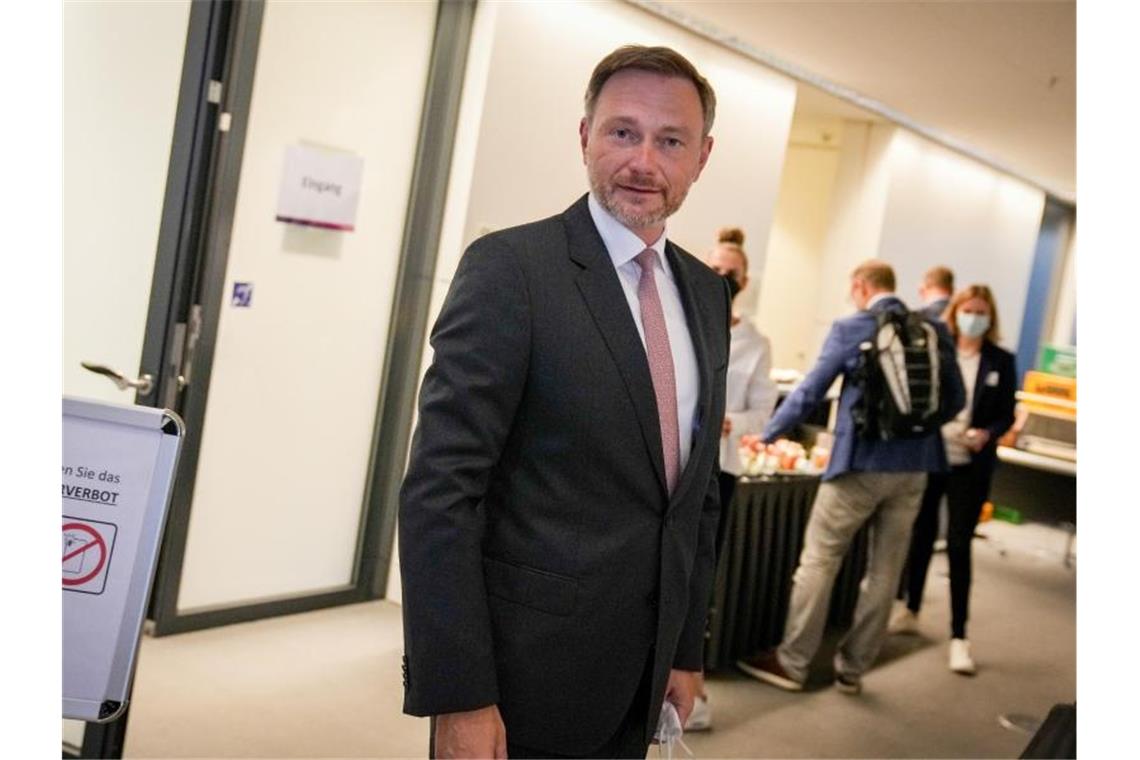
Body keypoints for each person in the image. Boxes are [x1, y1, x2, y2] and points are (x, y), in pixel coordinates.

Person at [399, 45, 731, 759]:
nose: (644, 160)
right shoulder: (513, 271)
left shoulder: (706, 293)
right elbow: (439, 493)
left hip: (642, 679)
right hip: (524, 677)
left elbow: (696, 496)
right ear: (584, 137)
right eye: (622, 132)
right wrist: (458, 692)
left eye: (670, 140)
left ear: (701, 158)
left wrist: (685, 648)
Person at [735, 260, 965, 695]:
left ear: (860, 287)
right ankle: (853, 670)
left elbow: (809, 391)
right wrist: (915, 432)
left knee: (820, 560)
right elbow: (955, 399)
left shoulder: (852, 326)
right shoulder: (934, 330)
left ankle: (793, 661)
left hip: (859, 465)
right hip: (915, 467)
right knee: (885, 569)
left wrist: (767, 434)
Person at [888, 285, 1017, 675]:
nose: (973, 317)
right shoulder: (940, 350)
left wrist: (987, 434)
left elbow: (1006, 414)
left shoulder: (1000, 360)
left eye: (981, 311)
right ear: (956, 311)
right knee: (921, 534)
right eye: (968, 310)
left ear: (989, 317)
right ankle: (909, 607)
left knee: (959, 544)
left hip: (972, 465)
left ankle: (959, 636)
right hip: (933, 456)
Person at [685, 227, 777, 731]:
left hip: (719, 470)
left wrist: (730, 420)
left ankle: (691, 695)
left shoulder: (756, 344)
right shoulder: (680, 318)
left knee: (697, 578)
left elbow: (764, 412)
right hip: (672, 465)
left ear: (745, 282)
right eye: (715, 270)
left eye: (732, 275)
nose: (722, 280)